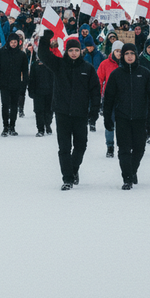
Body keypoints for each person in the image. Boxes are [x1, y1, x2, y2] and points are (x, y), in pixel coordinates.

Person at [39, 31, 101, 190]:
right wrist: (46, 38)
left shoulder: (88, 68)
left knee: (81, 146)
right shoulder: (59, 65)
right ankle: (67, 178)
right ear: (66, 51)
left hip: (80, 114)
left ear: (81, 51)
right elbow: (43, 55)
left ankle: (73, 169)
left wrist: (94, 110)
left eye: (76, 50)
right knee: (64, 148)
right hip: (62, 113)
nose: (74, 53)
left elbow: (95, 91)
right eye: (71, 50)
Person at [103, 43, 150, 189]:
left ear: (136, 55)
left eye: (132, 53)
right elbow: (108, 97)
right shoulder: (116, 74)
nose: (129, 56)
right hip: (122, 118)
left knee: (139, 148)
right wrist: (107, 117)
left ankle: (132, 170)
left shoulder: (145, 73)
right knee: (124, 149)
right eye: (127, 53)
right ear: (122, 56)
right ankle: (127, 178)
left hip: (141, 118)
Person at [0, 32, 28, 136]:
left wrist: (24, 83)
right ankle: (5, 126)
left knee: (14, 105)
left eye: (15, 42)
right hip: (4, 83)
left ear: (18, 43)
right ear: (8, 42)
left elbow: (25, 70)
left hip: (16, 84)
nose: (13, 44)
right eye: (11, 42)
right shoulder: (1, 52)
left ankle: (12, 126)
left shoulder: (22, 55)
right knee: (5, 105)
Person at [97, 40, 123, 153]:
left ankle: (123, 144)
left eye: (121, 51)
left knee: (123, 123)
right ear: (113, 51)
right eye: (117, 51)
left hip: (123, 98)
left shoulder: (127, 63)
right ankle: (110, 145)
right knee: (109, 122)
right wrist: (98, 95)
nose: (119, 54)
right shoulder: (105, 64)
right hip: (109, 97)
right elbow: (99, 79)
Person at [28, 51, 55, 137]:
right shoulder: (35, 65)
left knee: (49, 110)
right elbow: (31, 79)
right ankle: (40, 129)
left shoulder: (51, 64)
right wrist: (31, 90)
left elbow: (55, 78)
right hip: (38, 92)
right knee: (38, 111)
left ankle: (48, 124)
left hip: (50, 92)